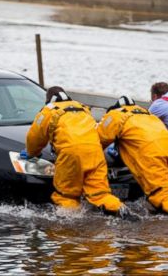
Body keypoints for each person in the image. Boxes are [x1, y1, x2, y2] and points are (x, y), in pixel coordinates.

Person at [25, 86, 133, 219]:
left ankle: (70, 227)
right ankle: (121, 210)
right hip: (95, 152)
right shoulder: (82, 108)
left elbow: (35, 137)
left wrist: (31, 152)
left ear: (48, 100)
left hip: (71, 154)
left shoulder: (48, 111)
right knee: (100, 193)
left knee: (67, 195)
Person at [97, 96, 168, 215]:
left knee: (160, 195)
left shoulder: (116, 114)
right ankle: (165, 210)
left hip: (148, 152)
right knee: (162, 189)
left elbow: (98, 141)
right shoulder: (148, 115)